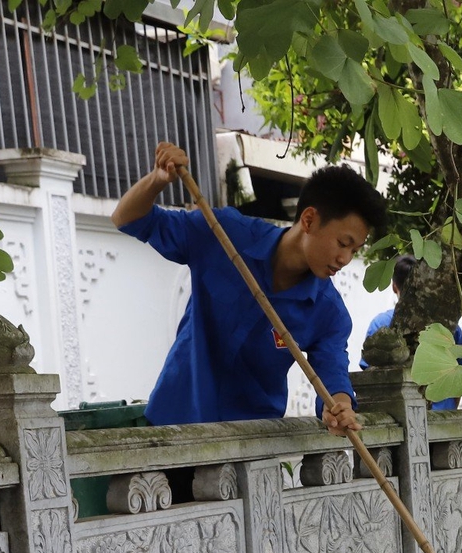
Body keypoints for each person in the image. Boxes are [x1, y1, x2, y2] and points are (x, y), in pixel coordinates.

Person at [112, 142, 385, 431]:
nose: (345, 259)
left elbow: (332, 375)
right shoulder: (225, 234)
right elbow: (127, 218)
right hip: (175, 426)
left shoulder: (329, 313)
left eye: (355, 250)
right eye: (343, 243)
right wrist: (158, 179)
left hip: (251, 444)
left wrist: (340, 407)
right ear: (308, 220)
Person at [361, 255, 462, 411]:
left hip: (397, 414)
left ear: (394, 286)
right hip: (443, 414)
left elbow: (369, 376)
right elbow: (460, 379)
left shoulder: (380, 325)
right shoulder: (446, 326)